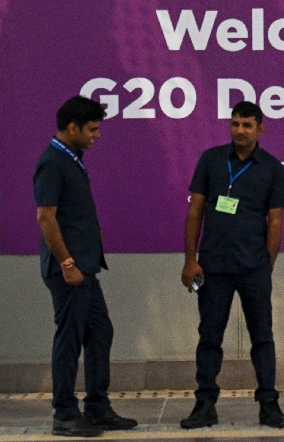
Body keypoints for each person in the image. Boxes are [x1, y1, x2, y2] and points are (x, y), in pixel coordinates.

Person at [179, 101, 284, 429]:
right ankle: (205, 404)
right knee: (209, 337)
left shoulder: (271, 167)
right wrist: (190, 260)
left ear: (260, 129)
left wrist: (266, 266)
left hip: (254, 267)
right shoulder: (210, 160)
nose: (240, 131)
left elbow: (275, 222)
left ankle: (269, 404)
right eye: (235, 124)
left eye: (247, 125)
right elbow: (195, 212)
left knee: (263, 337)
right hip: (212, 268)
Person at [34, 95, 138, 437]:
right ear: (72, 128)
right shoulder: (53, 162)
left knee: (100, 332)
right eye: (92, 129)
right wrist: (66, 262)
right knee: (69, 339)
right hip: (69, 271)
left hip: (85, 268)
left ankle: (97, 408)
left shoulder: (72, 159)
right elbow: (46, 217)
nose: (97, 135)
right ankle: (64, 414)